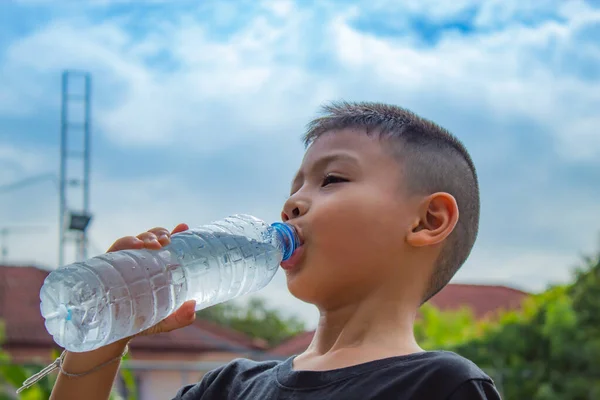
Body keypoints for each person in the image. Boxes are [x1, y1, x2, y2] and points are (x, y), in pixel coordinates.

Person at [48, 101, 502, 399]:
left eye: (332, 180)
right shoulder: (227, 388)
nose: (292, 204)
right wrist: (108, 328)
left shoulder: (440, 386)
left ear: (428, 220)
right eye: (294, 188)